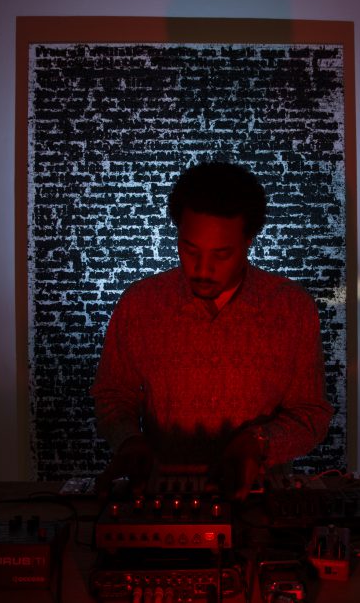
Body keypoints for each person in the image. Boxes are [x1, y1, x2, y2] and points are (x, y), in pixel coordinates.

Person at [90, 161, 333, 499]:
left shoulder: (292, 308)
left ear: (249, 240)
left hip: (259, 503)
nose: (202, 269)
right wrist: (129, 441)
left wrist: (259, 444)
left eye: (221, 254)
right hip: (161, 500)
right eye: (190, 249)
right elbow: (113, 395)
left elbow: (311, 413)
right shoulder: (140, 303)